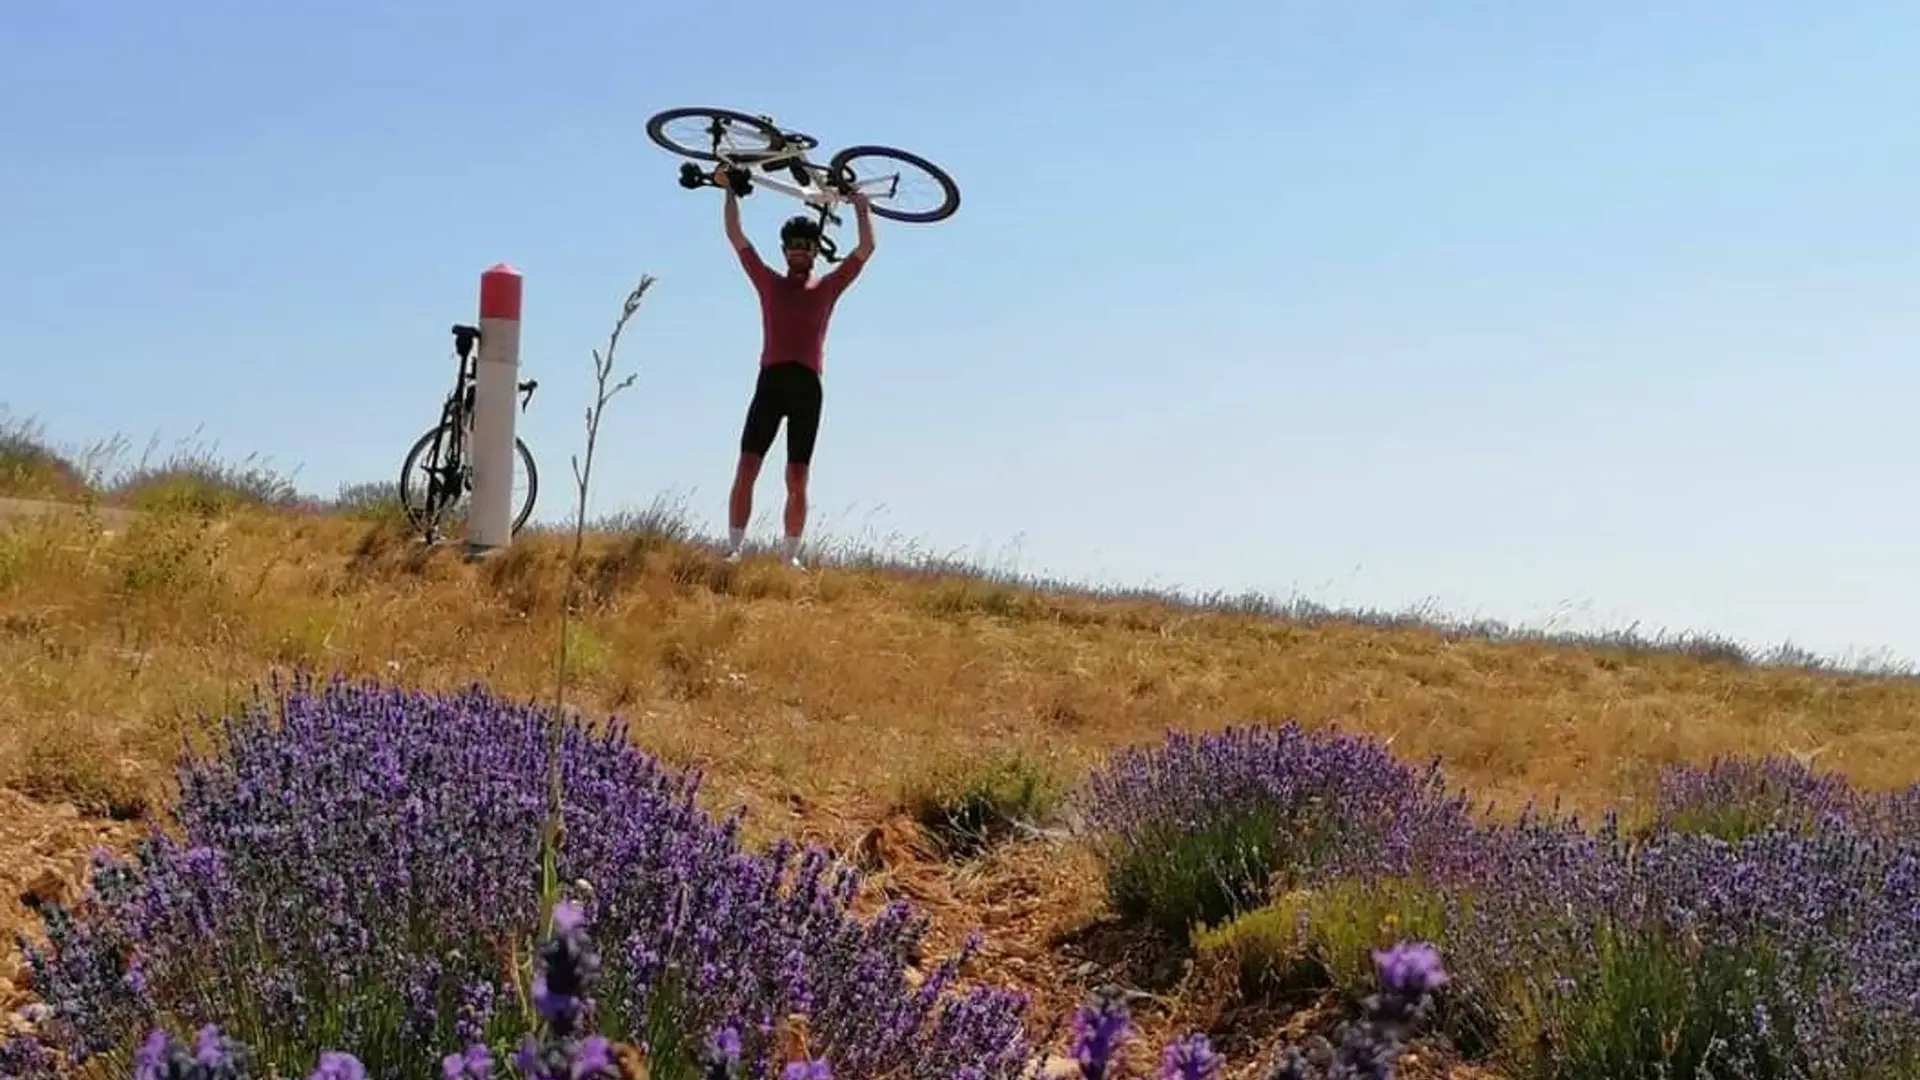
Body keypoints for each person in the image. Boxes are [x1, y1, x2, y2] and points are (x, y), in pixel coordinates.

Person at [716, 164, 875, 568]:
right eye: (793, 245)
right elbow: (736, 238)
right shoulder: (769, 282)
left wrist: (861, 208)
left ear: (815, 249)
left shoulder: (826, 287)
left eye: (807, 244)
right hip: (771, 380)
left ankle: (790, 555)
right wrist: (728, 190)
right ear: (785, 251)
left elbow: (865, 250)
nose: (800, 250)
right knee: (748, 464)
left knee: (797, 476)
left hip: (807, 386)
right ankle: (735, 547)